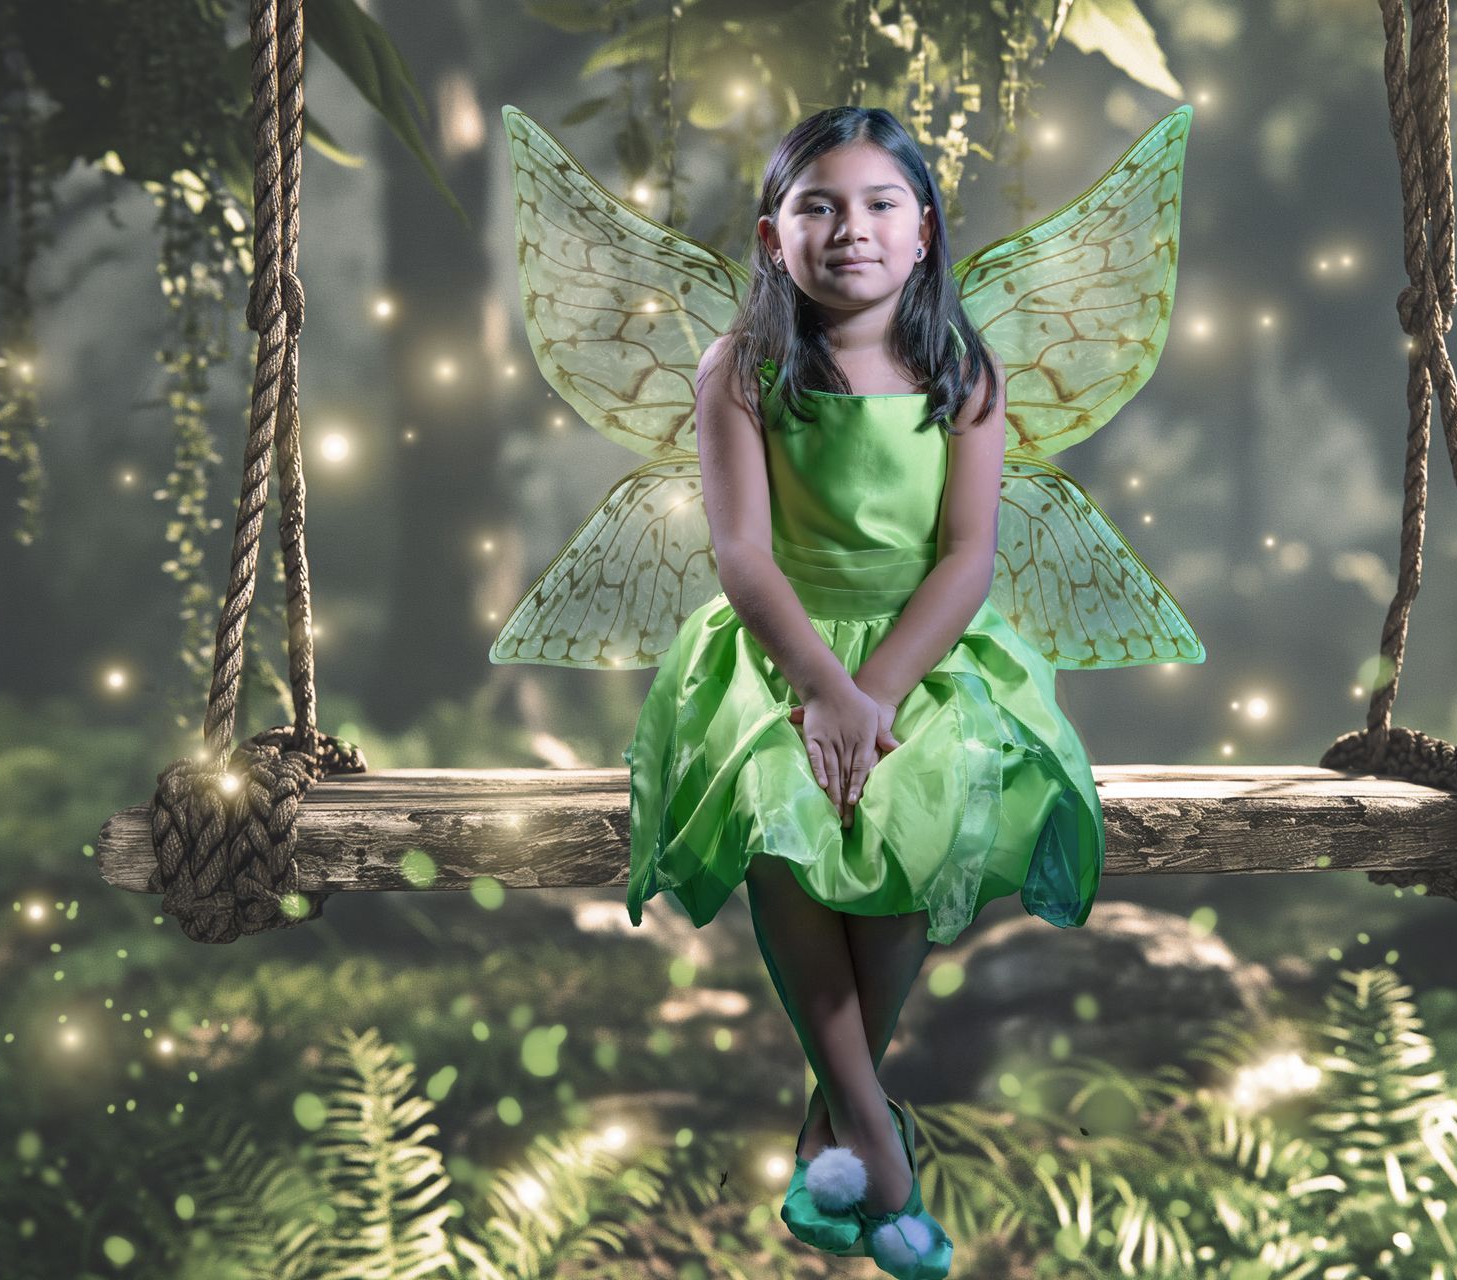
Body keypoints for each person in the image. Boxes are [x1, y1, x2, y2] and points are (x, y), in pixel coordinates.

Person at [490, 97, 1202, 1280]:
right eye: (817, 206)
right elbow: (742, 557)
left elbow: (967, 556)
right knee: (784, 803)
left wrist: (878, 692)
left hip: (922, 648)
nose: (851, 229)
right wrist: (825, 690)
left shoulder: (964, 370)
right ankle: (875, 1129)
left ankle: (837, 1121)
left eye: (880, 205)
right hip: (780, 647)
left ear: (924, 231)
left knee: (933, 793)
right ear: (774, 236)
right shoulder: (743, 369)